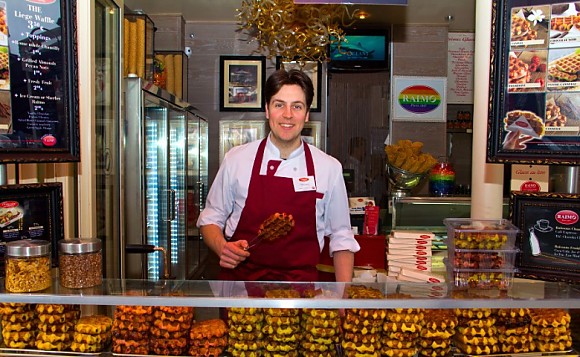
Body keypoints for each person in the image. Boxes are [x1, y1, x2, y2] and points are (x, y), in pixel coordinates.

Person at [197, 69, 360, 283]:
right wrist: (222, 248)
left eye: (297, 106)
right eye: (279, 104)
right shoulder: (236, 159)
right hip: (240, 291)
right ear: (267, 110)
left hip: (302, 293)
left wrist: (343, 300)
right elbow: (210, 218)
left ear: (307, 114)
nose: (288, 114)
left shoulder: (328, 168)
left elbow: (342, 238)